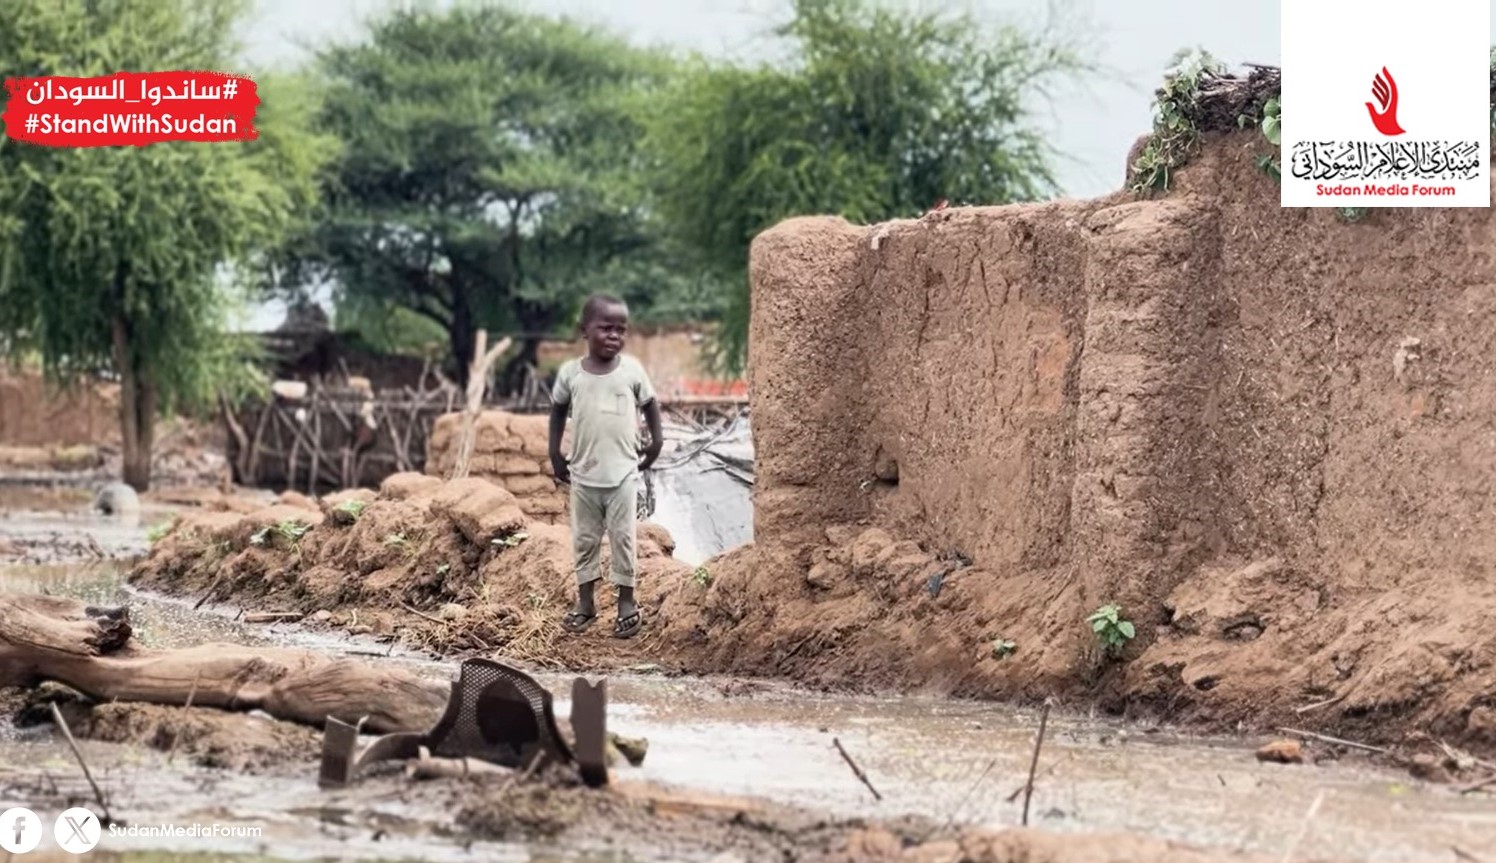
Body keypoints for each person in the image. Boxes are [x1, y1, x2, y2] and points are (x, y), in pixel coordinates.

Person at [548, 293, 663, 639]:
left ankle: (626, 603)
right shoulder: (571, 374)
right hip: (583, 474)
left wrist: (656, 442)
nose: (615, 335)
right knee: (584, 540)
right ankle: (586, 604)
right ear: (584, 331)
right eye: (606, 328)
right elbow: (557, 411)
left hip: (624, 474)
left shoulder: (632, 371)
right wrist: (555, 451)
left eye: (621, 329)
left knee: (623, 539)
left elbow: (651, 405)